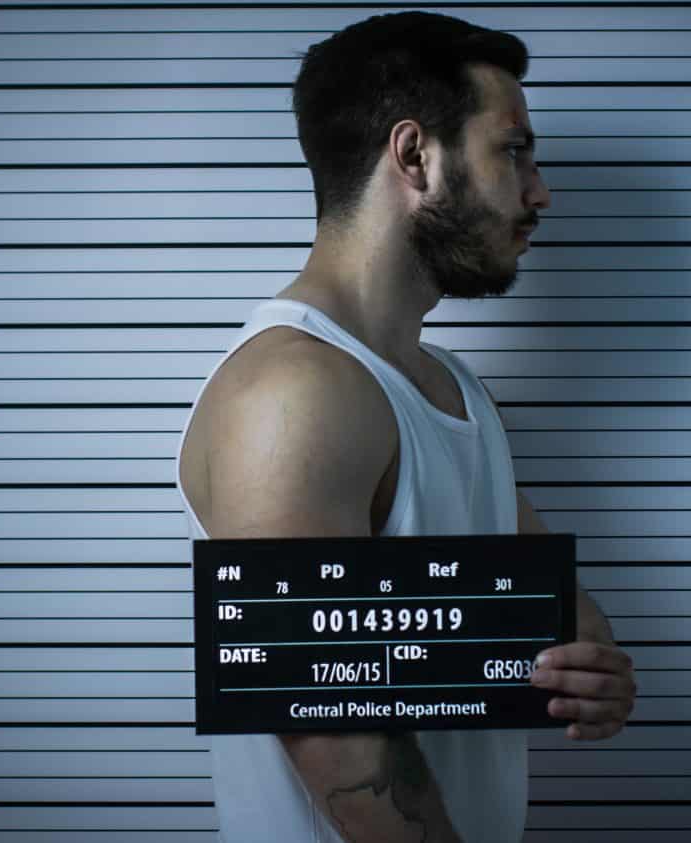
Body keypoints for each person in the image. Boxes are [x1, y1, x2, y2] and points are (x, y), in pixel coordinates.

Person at [174, 11, 636, 841]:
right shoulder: (292, 394)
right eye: (514, 151)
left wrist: (591, 668)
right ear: (415, 156)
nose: (540, 191)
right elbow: (334, 732)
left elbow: (557, 613)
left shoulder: (456, 389)